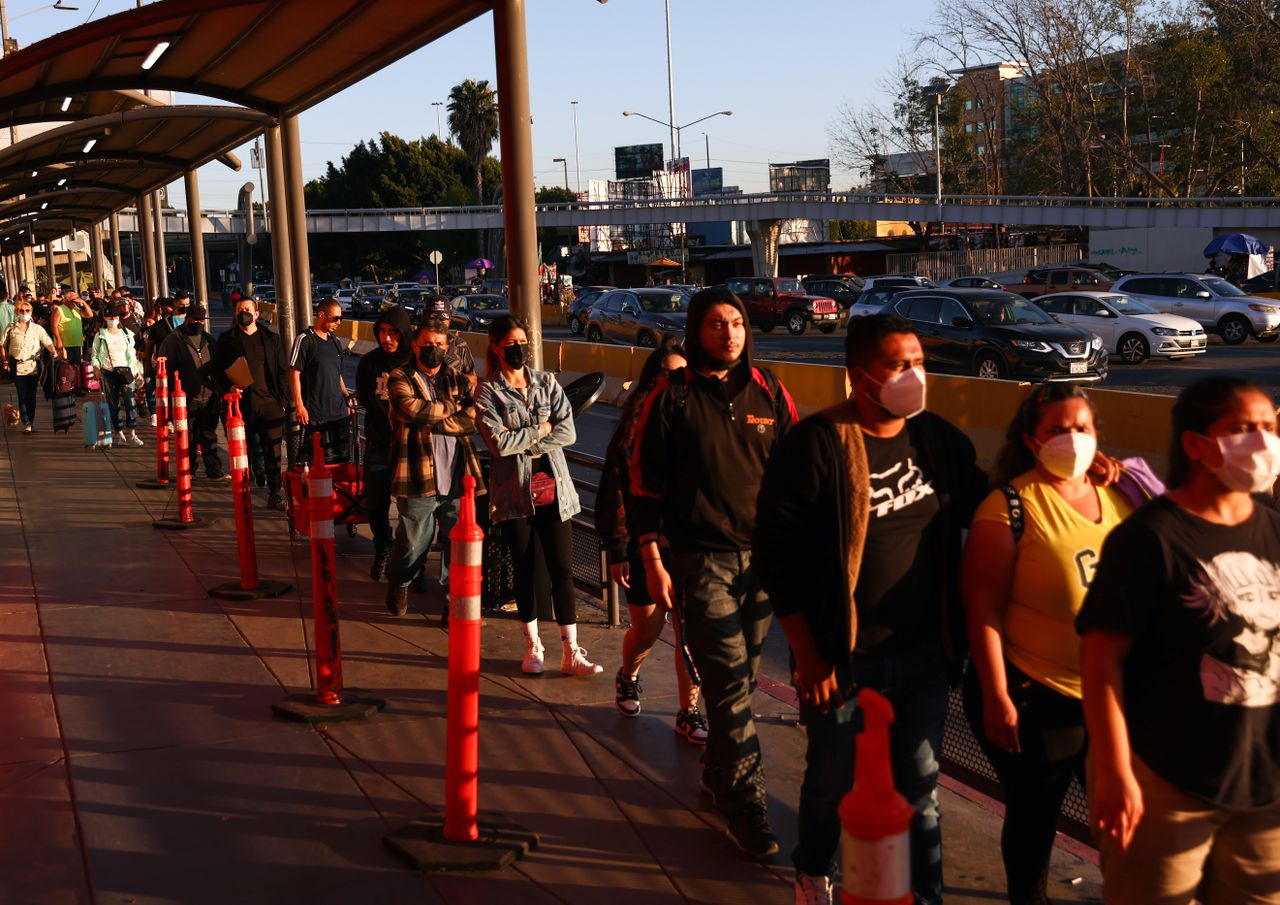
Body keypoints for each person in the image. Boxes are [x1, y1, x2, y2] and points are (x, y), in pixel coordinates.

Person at [753, 314, 988, 903]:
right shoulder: (819, 444)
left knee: (921, 787)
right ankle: (813, 870)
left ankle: (923, 895)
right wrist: (807, 655)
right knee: (832, 778)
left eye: (919, 361)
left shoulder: (937, 440)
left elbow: (990, 505)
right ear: (858, 376)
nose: (915, 374)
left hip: (923, 653)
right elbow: (775, 554)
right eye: (897, 364)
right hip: (842, 656)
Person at [1078, 376, 1280, 905]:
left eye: (1268, 427)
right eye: (1242, 428)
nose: (1262, 442)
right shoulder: (1149, 539)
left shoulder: (1275, 529)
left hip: (1264, 786)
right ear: (1195, 444)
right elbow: (1101, 663)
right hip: (1166, 783)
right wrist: (1116, 772)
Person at [629, 286, 797, 861]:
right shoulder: (671, 397)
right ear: (696, 331)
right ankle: (746, 802)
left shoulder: (771, 392)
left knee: (743, 682)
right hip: (699, 562)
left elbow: (798, 472)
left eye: (737, 323)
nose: (729, 333)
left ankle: (716, 768)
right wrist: (652, 559)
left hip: (764, 563)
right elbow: (642, 484)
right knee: (727, 683)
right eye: (716, 324)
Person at [960, 384, 1132, 905]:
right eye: (1058, 429)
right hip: (1032, 693)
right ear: (1032, 442)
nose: (1072, 439)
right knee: (1035, 817)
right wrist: (996, 695)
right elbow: (982, 609)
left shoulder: (1120, 495)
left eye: (1082, 427)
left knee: (1123, 816)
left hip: (1107, 697)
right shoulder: (1009, 506)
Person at [475, 315, 600, 677]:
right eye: (511, 343)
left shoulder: (546, 382)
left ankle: (571, 650)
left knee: (562, 569)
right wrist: (543, 428)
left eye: (522, 341)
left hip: (555, 489)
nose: (519, 349)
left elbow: (569, 432)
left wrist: (528, 437)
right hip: (515, 494)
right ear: (496, 347)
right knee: (525, 568)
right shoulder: (487, 392)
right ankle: (533, 647)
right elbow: (497, 444)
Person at [596, 339, 706, 743]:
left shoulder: (698, 421)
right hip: (645, 546)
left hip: (687, 544)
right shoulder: (633, 428)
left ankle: (689, 712)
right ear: (654, 379)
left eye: (685, 376)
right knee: (647, 629)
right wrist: (620, 550)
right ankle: (628, 676)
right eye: (672, 376)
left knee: (687, 634)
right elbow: (615, 493)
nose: (680, 384)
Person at [384, 316, 484, 616]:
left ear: (447, 346)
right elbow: (410, 410)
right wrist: (454, 409)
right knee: (413, 541)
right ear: (415, 346)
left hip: (457, 475)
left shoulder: (457, 378)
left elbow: (475, 417)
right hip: (416, 473)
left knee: (456, 544)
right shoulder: (399, 376)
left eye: (439, 344)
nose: (434, 348)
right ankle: (400, 581)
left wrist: (435, 416)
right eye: (427, 344)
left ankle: (452, 600)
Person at [215, 296, 290, 509]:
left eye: (247, 309)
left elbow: (283, 371)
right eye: (239, 310)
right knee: (241, 451)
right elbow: (217, 371)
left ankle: (275, 492)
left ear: (257, 314)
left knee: (273, 452)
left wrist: (282, 401)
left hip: (270, 405)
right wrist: (227, 389)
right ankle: (243, 491)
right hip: (240, 406)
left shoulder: (271, 339)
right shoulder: (226, 339)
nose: (243, 313)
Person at [356, 305, 414, 579]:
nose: (387, 338)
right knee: (376, 503)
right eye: (382, 331)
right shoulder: (369, 363)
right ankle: (383, 547)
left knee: (412, 511)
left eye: (393, 333)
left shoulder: (416, 361)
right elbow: (367, 400)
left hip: (411, 448)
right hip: (379, 445)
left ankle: (414, 562)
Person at [159, 304, 226, 480]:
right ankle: (189, 469)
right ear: (187, 319)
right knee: (187, 436)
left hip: (209, 396)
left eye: (200, 320)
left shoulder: (209, 339)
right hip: (184, 398)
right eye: (194, 319)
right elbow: (165, 370)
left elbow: (219, 365)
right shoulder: (173, 340)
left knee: (209, 434)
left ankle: (214, 469)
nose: (198, 323)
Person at [289, 298, 351, 464]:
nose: (338, 322)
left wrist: (347, 398)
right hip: (316, 415)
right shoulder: (305, 340)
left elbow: (337, 374)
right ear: (322, 315)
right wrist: (299, 406)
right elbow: (294, 374)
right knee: (319, 464)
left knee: (342, 463)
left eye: (340, 318)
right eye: (335, 318)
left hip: (339, 415)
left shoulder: (336, 342)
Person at [90, 302, 146, 447]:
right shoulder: (100, 336)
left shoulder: (126, 334)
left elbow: (131, 355)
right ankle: (119, 433)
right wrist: (96, 368)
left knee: (130, 402)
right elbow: (95, 355)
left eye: (115, 316)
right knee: (113, 404)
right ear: (105, 317)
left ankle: (132, 433)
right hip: (108, 373)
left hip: (126, 372)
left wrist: (136, 373)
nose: (113, 318)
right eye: (109, 316)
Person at [0, 297, 56, 432]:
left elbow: (47, 342)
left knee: (31, 394)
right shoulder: (11, 328)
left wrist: (54, 351)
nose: (24, 312)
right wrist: (5, 360)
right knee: (22, 393)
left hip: (33, 364)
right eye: (21, 310)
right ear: (16, 312)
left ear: (31, 311)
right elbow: (2, 344)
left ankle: (30, 420)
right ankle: (26, 421)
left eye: (27, 310)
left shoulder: (37, 328)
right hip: (16, 364)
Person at [51, 288, 93, 364]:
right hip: (65, 344)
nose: (77, 302)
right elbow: (54, 326)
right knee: (66, 369)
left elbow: (90, 315)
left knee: (76, 367)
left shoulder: (76, 309)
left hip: (76, 343)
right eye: (74, 300)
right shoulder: (59, 310)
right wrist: (58, 340)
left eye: (78, 299)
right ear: (67, 299)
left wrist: (83, 302)